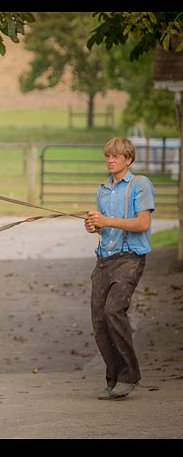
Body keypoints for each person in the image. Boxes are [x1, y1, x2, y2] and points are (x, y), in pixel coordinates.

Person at [84, 136, 155, 400]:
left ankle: (129, 376)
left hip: (129, 259)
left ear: (128, 159)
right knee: (99, 321)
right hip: (104, 260)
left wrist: (106, 220)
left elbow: (142, 224)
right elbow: (104, 228)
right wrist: (94, 226)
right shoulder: (102, 189)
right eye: (107, 156)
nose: (110, 160)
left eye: (116, 156)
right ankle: (113, 378)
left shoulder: (140, 185)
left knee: (114, 311)